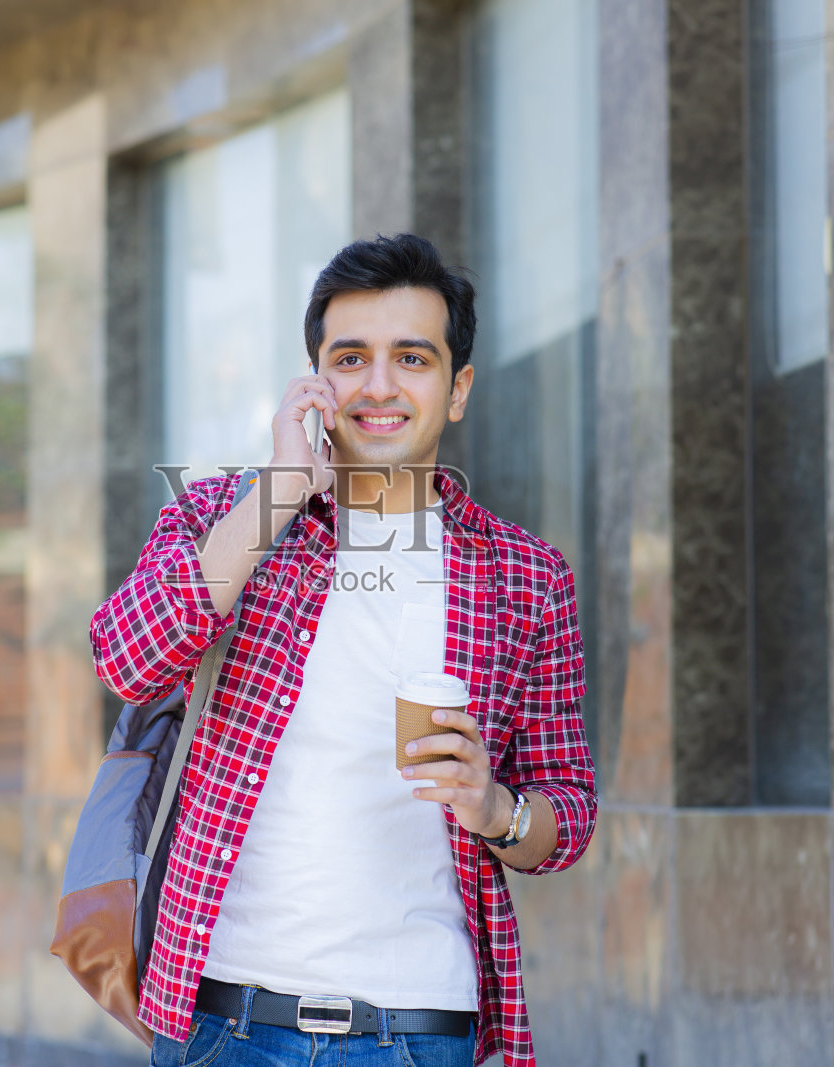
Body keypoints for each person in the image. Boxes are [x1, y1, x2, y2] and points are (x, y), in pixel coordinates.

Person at [90, 233, 596, 1067]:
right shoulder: (231, 516)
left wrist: (493, 806)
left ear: (458, 388)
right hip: (224, 1020)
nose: (380, 385)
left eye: (413, 357)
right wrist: (282, 490)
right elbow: (127, 659)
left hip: (420, 1028)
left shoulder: (527, 578)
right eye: (351, 357)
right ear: (315, 381)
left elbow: (567, 814)